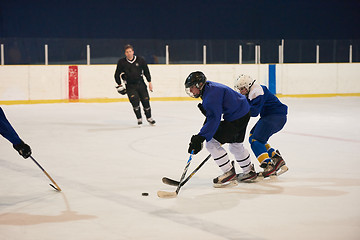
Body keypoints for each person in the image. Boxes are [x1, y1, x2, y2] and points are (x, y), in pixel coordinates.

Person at [185, 71, 257, 186]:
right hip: (243, 112)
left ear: (199, 85)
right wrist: (203, 131)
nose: (191, 91)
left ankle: (229, 172)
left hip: (237, 116)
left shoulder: (210, 96)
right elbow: (212, 117)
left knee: (211, 143)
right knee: (235, 145)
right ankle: (249, 171)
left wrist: (201, 137)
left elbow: (214, 119)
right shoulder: (209, 88)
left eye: (192, 88)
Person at [234, 74, 288, 177]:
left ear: (248, 86)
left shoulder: (256, 92)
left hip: (275, 117)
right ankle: (276, 159)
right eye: (239, 89)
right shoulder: (253, 90)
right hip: (272, 116)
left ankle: (268, 166)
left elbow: (254, 112)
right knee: (252, 136)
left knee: (256, 140)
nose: (241, 91)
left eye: (242, 89)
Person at [114, 44, 156, 126]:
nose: (129, 53)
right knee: (134, 101)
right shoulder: (121, 62)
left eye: (130, 51)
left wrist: (149, 82)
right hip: (130, 86)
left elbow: (146, 71)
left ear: (133, 52)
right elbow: (117, 74)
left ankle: (149, 118)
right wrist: (119, 85)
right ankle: (139, 118)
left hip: (141, 84)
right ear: (125, 53)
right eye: (127, 52)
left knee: (146, 100)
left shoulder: (140, 60)